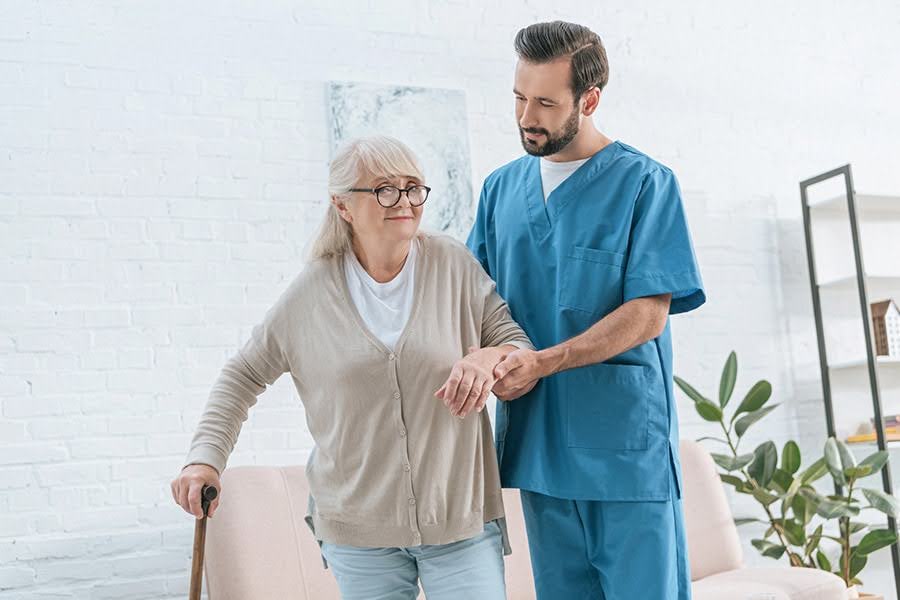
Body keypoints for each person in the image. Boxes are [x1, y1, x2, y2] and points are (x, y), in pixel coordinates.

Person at [172, 135, 533, 600]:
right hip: (359, 533)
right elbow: (242, 374)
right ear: (343, 206)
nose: (403, 201)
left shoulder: (452, 265)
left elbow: (516, 345)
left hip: (459, 520)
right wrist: (205, 458)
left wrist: (488, 357)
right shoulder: (312, 293)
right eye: (384, 188)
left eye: (412, 187)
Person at [467, 21, 706, 599]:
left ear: (589, 99)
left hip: (624, 453)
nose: (528, 116)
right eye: (520, 97)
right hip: (540, 450)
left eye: (546, 102)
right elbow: (473, 302)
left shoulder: (645, 184)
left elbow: (648, 314)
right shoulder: (501, 190)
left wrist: (544, 362)